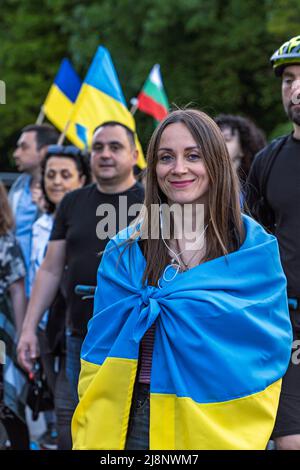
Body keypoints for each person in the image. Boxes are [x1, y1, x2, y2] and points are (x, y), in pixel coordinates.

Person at [72, 109, 291, 450]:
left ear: (217, 162)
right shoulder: (126, 250)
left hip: (215, 423)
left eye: (193, 156)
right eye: (165, 157)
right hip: (129, 420)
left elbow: (268, 346)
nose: (178, 168)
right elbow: (99, 348)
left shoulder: (252, 251)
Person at [17, 122, 145, 412]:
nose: (105, 154)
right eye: (98, 148)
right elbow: (50, 268)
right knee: (78, 426)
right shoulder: (71, 202)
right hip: (80, 335)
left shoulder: (152, 203)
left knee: (130, 428)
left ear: (135, 154)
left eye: (115, 147)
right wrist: (27, 329)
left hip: (134, 338)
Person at [246, 35, 300, 450]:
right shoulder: (268, 161)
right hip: (288, 327)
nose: (295, 90)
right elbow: (251, 246)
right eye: (288, 80)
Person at [28, 145, 91, 450]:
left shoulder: (87, 218)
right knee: (59, 410)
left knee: (75, 412)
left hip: (76, 329)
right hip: (46, 329)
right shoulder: (38, 222)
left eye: (65, 175)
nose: (56, 181)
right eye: (50, 175)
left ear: (82, 179)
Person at [8, 124, 59, 297]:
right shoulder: (18, 187)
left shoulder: (64, 192)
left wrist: (50, 212)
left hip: (47, 290)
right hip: (16, 287)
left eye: (23, 147)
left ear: (43, 151)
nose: (16, 153)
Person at [0, 181, 29, 449]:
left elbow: (17, 291)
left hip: (0, 334)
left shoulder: (6, 242)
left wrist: (21, 336)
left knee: (4, 397)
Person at [214, 114, 266, 182]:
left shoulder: (259, 182)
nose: (219, 144)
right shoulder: (207, 182)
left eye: (226, 139)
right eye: (215, 140)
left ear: (242, 147)